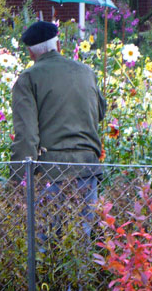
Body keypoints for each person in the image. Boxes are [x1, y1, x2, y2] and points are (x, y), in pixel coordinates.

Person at [10, 21, 106, 236]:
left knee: (44, 246)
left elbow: (26, 135)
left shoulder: (29, 79)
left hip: (50, 172)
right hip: (86, 168)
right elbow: (100, 112)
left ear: (31, 53)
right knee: (80, 245)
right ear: (59, 45)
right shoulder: (86, 72)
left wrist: (18, 179)